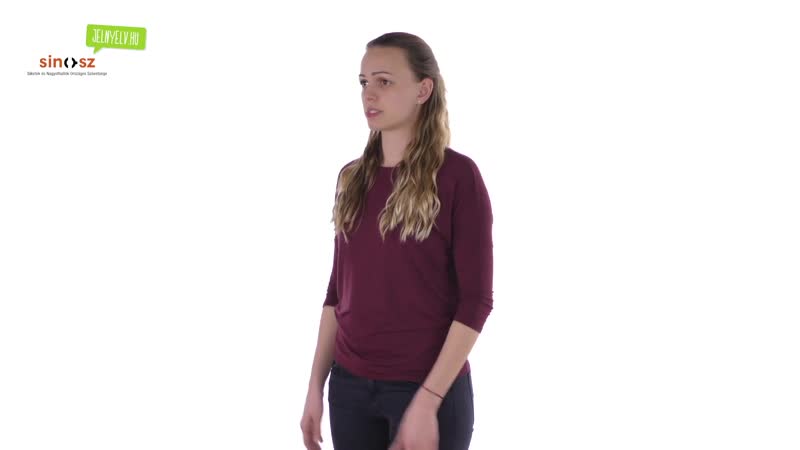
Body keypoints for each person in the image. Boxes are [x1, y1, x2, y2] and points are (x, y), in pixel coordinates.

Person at [300, 31, 494, 450]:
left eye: (384, 81)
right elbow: (338, 291)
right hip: (350, 391)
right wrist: (316, 384)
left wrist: (427, 401)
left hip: (427, 389)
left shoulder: (458, 177)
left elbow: (476, 301)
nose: (369, 94)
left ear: (423, 90)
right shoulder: (351, 178)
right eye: (363, 82)